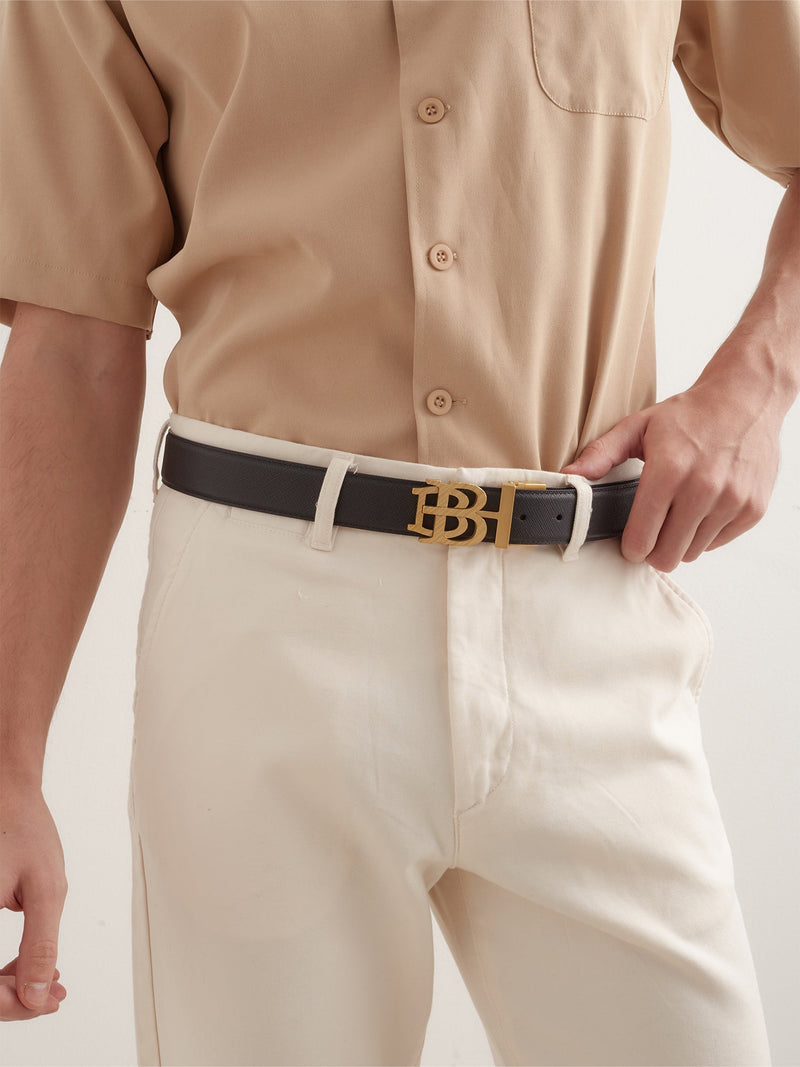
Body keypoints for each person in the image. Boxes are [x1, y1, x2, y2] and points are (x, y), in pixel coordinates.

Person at [1, 1, 798, 1063]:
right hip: (263, 641)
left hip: (591, 617)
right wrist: (8, 761)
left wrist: (755, 383)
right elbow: (71, 339)